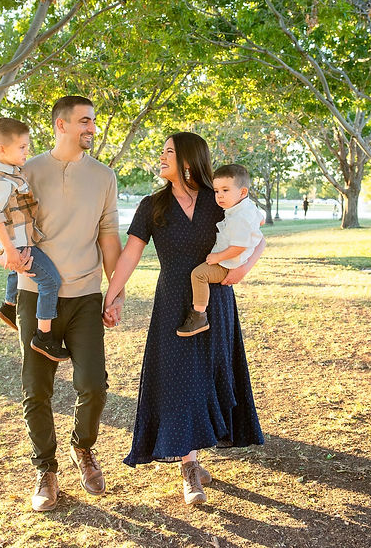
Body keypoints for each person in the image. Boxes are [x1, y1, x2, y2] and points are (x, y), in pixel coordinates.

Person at [103, 132, 265, 506]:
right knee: (179, 379)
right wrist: (111, 296)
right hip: (172, 303)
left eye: (169, 152)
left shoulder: (219, 199)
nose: (161, 156)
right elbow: (130, 254)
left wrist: (242, 271)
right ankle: (189, 465)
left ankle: (197, 452)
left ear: (189, 160)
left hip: (215, 300)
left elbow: (257, 237)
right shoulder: (152, 205)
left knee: (208, 376)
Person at [1, 96, 123, 512]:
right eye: (85, 121)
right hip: (36, 296)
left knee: (93, 384)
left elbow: (108, 234)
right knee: (36, 390)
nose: (92, 127)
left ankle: (82, 448)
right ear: (61, 125)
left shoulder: (104, 176)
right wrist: (3, 255)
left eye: (93, 121)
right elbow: (0, 222)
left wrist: (115, 290)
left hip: (86, 295)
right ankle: (45, 469)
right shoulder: (26, 171)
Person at [0, 117, 66, 362]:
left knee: (26, 275)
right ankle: (44, 337)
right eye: (22, 147)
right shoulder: (0, 181)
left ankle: (9, 304)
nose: (27, 151)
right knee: (50, 282)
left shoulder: (9, 174)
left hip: (18, 242)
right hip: (16, 246)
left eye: (27, 146)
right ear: (1, 149)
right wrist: (9, 250)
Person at [175, 164, 264, 337]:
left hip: (228, 263)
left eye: (225, 190)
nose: (219, 196)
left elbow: (239, 247)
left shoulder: (240, 217)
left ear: (243, 192)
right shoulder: (246, 208)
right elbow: (261, 221)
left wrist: (218, 257)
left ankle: (199, 315)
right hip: (231, 259)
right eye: (216, 191)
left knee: (199, 275)